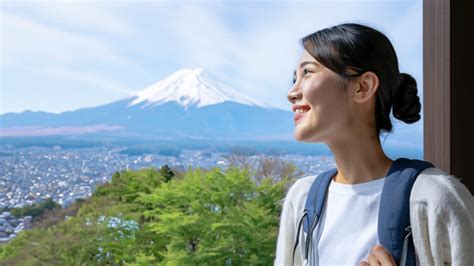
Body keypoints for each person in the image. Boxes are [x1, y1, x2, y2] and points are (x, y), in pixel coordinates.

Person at [274, 23, 474, 266]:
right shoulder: (303, 199)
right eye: (295, 78)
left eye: (307, 73)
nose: (291, 93)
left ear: (363, 87)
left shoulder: (433, 199)